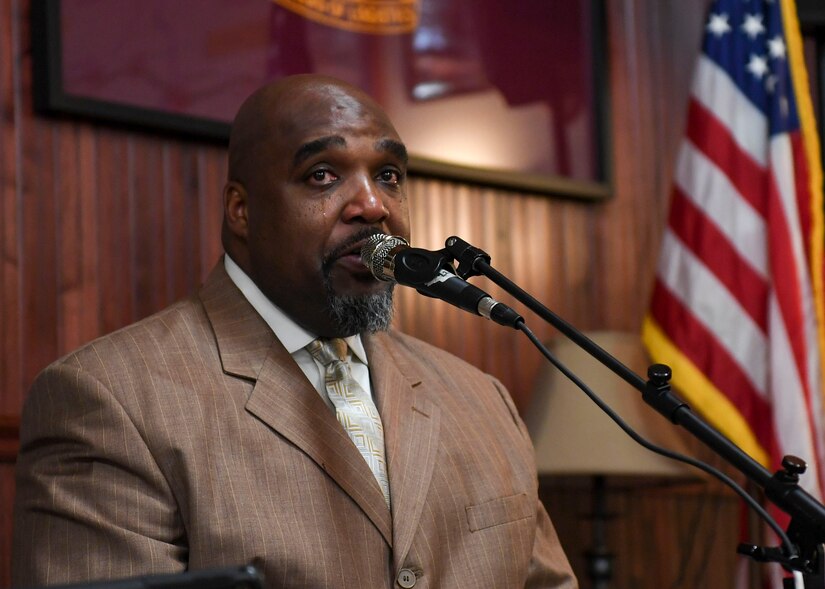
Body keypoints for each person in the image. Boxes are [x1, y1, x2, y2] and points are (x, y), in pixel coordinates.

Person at [12, 74, 577, 589]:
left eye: (389, 176)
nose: (373, 206)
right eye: (323, 175)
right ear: (241, 211)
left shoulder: (482, 398)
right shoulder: (106, 399)